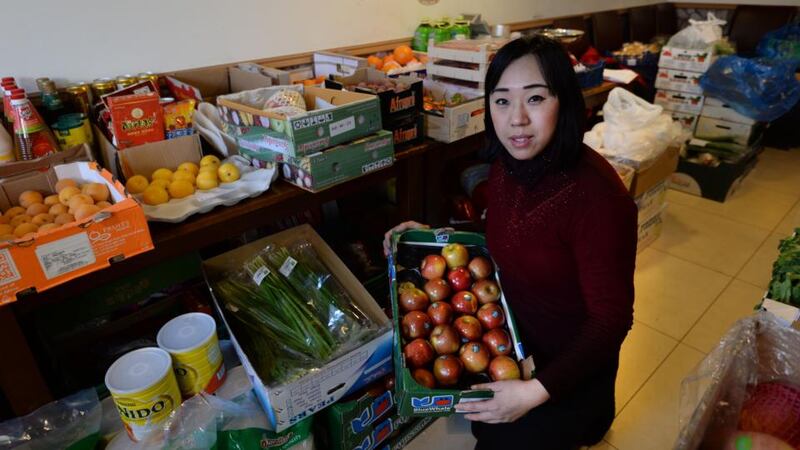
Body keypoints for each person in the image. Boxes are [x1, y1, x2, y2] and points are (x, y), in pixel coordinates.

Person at [383, 35, 638, 449]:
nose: (516, 119)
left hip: (564, 376)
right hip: (508, 342)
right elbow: (513, 237)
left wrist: (535, 391)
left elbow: (611, 322)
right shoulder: (507, 165)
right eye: (502, 101)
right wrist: (432, 237)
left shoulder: (599, 199)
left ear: (566, 101)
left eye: (535, 99)